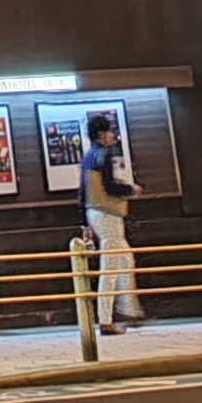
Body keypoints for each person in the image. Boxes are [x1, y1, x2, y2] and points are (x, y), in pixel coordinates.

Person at [78, 108, 141, 329]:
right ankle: (106, 320)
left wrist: (84, 222)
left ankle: (129, 309)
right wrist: (131, 189)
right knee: (111, 267)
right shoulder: (103, 155)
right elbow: (110, 186)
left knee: (125, 261)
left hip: (94, 213)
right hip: (108, 214)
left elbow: (82, 192)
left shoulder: (88, 157)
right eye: (109, 131)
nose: (112, 135)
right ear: (101, 135)